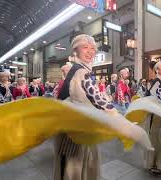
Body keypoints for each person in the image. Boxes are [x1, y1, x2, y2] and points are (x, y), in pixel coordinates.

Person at [55, 34, 118, 180]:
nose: (90, 52)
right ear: (75, 51)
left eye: (93, 48)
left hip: (73, 127)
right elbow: (97, 100)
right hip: (77, 130)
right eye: (85, 48)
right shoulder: (82, 72)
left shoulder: (78, 70)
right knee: (77, 166)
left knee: (74, 165)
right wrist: (117, 117)